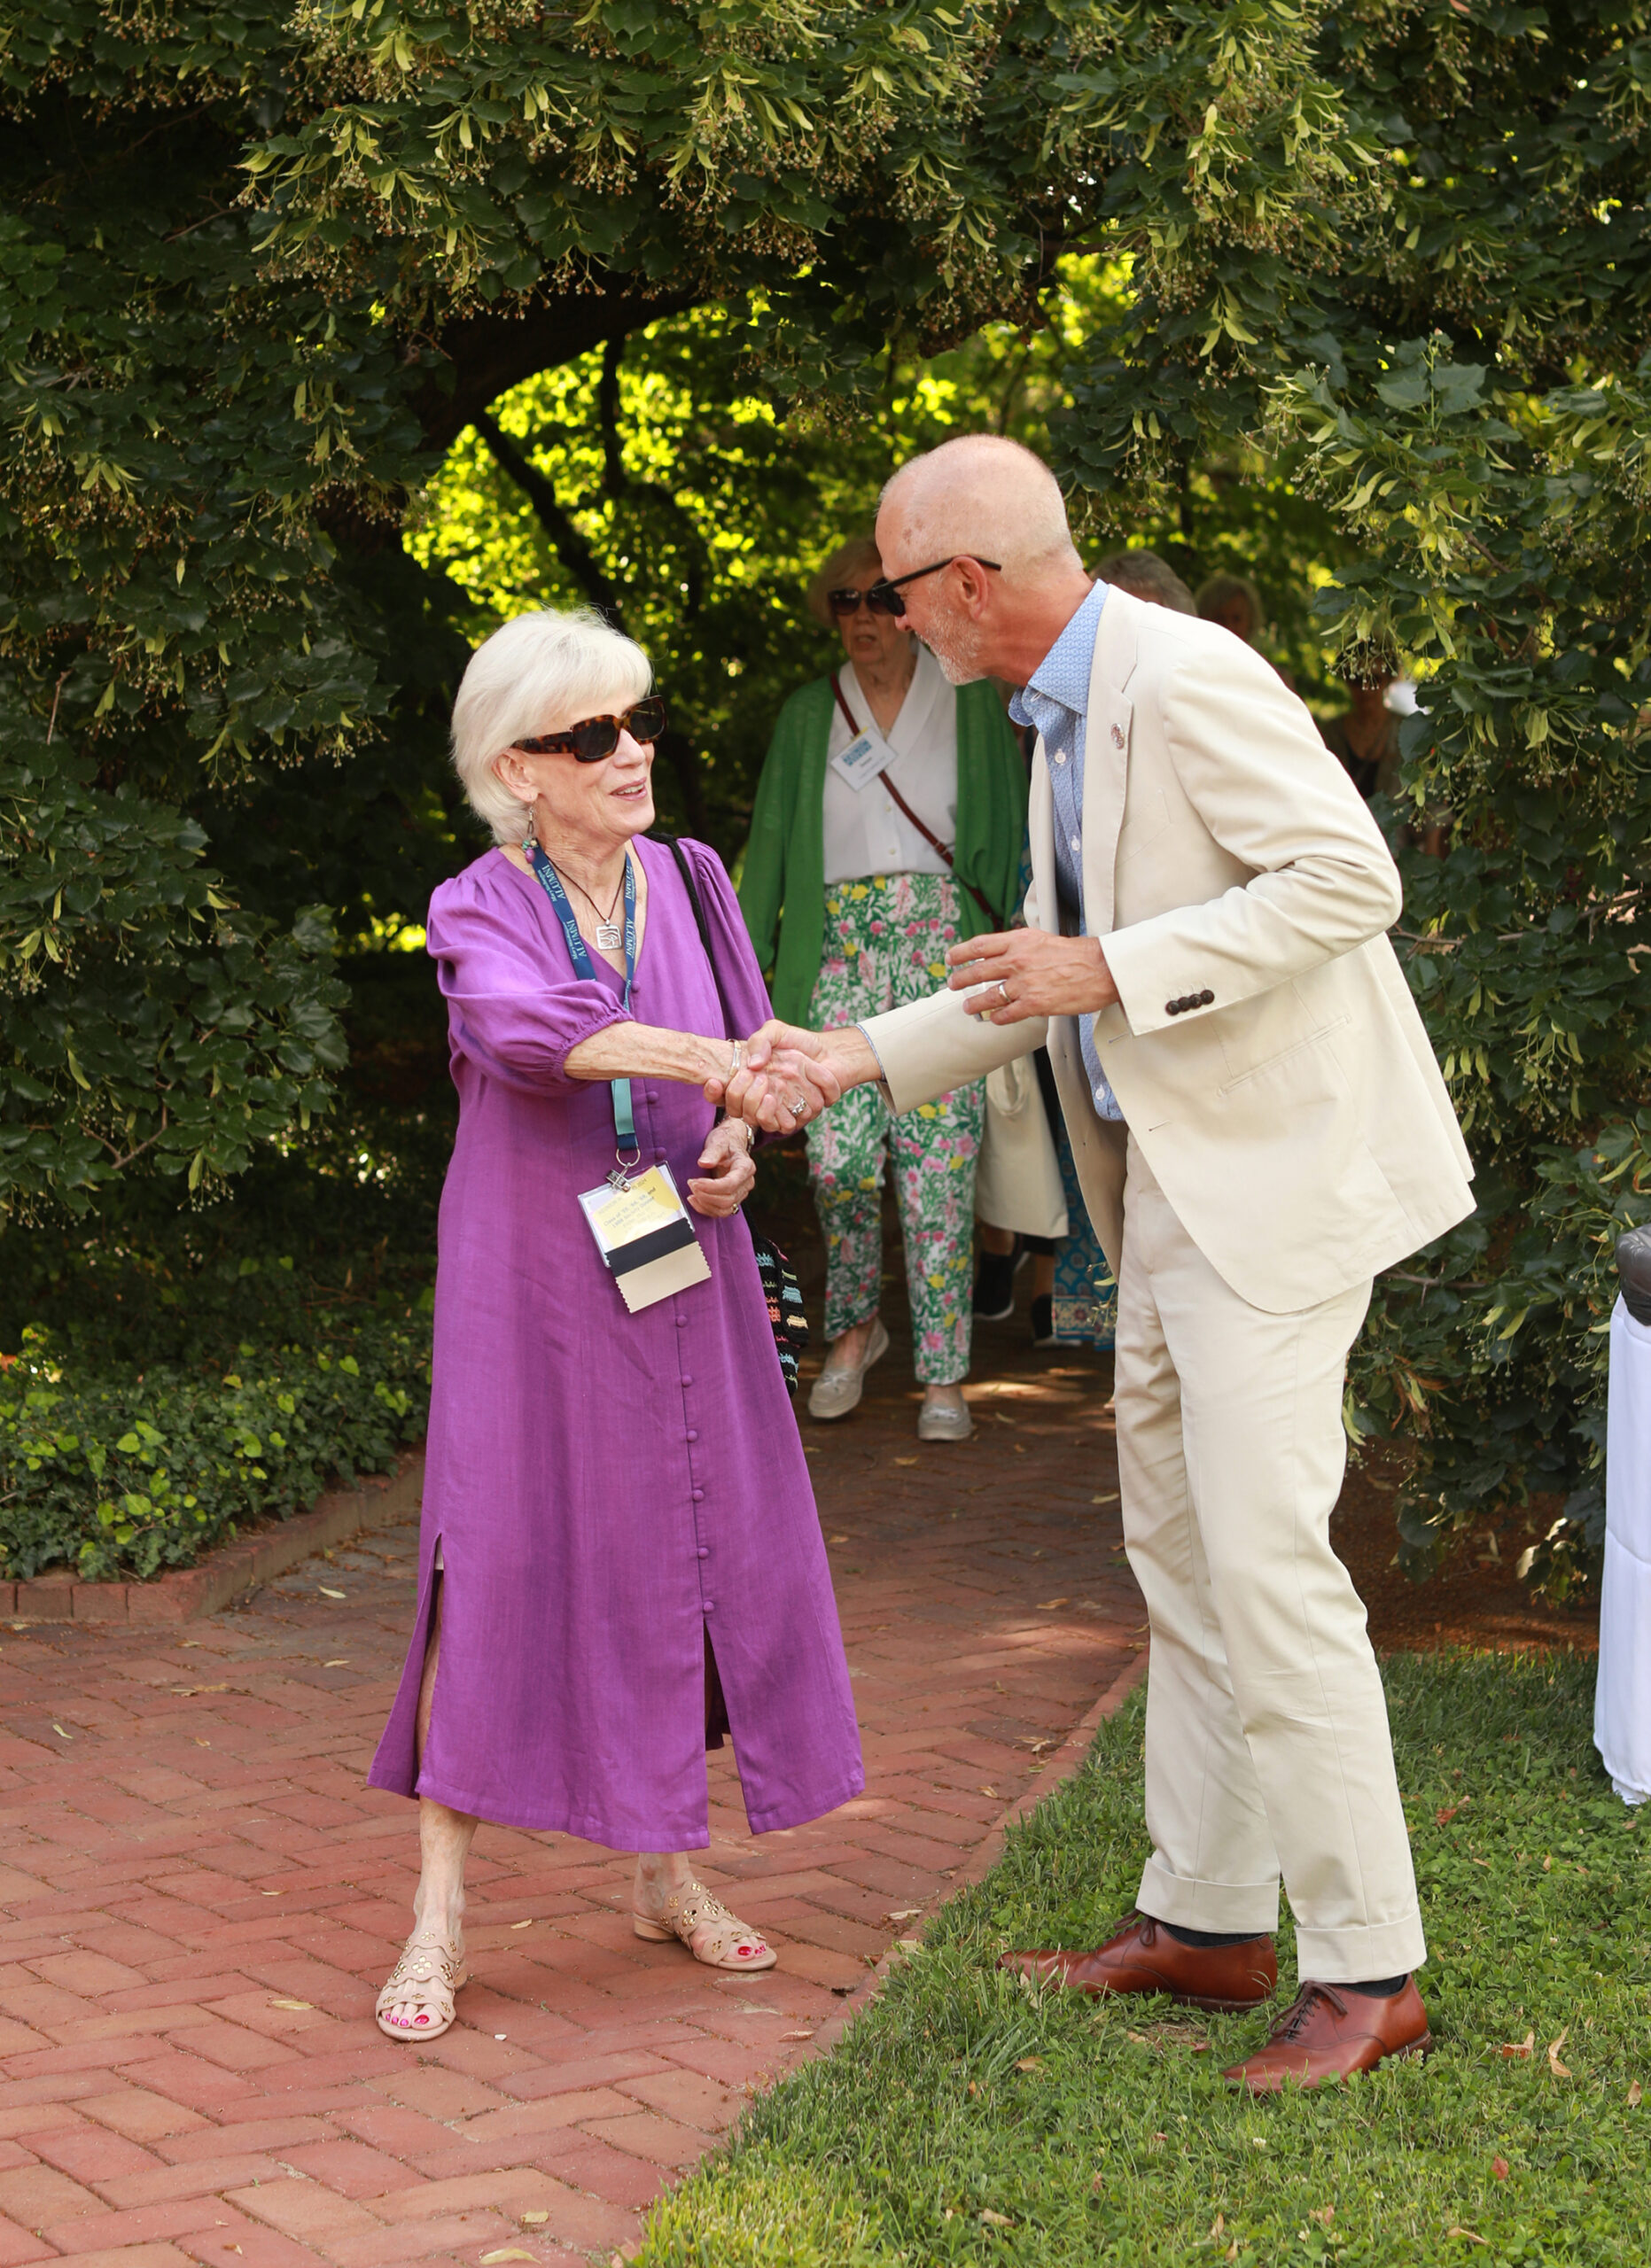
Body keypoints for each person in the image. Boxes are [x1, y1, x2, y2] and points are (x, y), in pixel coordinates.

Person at [718, 435, 1477, 2093]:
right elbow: (1027, 979)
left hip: (1266, 1198)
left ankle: (1369, 1969)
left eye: (901, 597)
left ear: (968, 583)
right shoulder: (1055, 707)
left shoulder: (1183, 673)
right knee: (1182, 1564)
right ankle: (1204, 1922)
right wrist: (845, 1056)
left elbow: (1349, 879)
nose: (895, 625)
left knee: (1269, 1575)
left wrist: (1113, 963)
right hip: (1161, 1210)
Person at [367, 607, 863, 2041]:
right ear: (517, 769)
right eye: (591, 735)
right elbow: (533, 1037)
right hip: (526, 1284)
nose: (629, 752)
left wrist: (733, 1144)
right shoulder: (477, 906)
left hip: (675, 1270)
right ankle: (436, 1922)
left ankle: (667, 1875)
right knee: (494, 1560)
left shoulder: (697, 883)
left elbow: (750, 1074)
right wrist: (703, 1061)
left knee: (685, 1543)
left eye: (637, 723)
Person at [739, 535, 1027, 1441]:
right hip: (837, 961)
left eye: (879, 600)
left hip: (946, 956)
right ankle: (856, 1325)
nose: (864, 617)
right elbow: (770, 858)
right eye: (845, 603)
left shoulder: (969, 702)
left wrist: (1022, 943)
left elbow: (1015, 836)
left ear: (910, 609)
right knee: (839, 1164)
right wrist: (743, 984)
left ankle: (945, 1373)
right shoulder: (805, 715)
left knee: (940, 1169)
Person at [1320, 669, 1403, 801]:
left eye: (1374, 679)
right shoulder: (1329, 734)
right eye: (1357, 679)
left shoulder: (1408, 732)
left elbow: (1434, 806)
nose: (1366, 688)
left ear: (1389, 680)